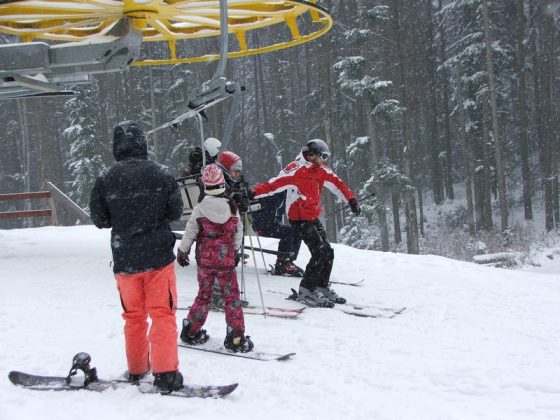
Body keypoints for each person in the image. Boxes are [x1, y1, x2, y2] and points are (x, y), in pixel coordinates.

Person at [89, 121, 184, 393]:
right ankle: (166, 373)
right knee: (162, 314)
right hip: (158, 258)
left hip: (126, 259)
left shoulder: (106, 178)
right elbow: (175, 211)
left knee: (133, 317)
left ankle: (137, 368)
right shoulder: (162, 174)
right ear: (143, 142)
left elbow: (100, 219)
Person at [250, 139, 361, 307]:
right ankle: (306, 290)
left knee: (328, 251)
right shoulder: (295, 169)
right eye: (323, 156)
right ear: (311, 155)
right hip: (298, 217)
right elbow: (272, 185)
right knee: (319, 252)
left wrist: (351, 200)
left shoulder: (321, 170)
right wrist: (251, 193)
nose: (325, 160)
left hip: (311, 216)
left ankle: (321, 285)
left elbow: (338, 184)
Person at [176, 164, 254, 353]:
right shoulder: (232, 207)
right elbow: (238, 232)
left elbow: (190, 231)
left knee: (204, 295)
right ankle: (236, 337)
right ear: (222, 184)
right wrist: (234, 251)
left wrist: (183, 250)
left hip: (205, 261)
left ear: (205, 185)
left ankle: (191, 330)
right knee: (232, 298)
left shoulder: (200, 209)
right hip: (226, 262)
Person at [250, 192, 304, 277]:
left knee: (297, 232)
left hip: (273, 224)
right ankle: (283, 263)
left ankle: (288, 261)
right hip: (263, 226)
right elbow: (256, 207)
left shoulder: (283, 197)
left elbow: (282, 214)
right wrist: (258, 225)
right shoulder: (272, 194)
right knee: (288, 232)